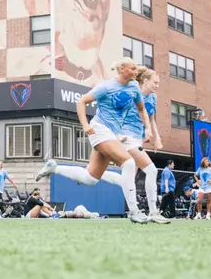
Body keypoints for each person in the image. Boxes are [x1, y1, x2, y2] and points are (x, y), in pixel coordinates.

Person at [37, 58, 152, 223]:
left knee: (91, 178)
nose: (135, 72)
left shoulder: (134, 86)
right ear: (121, 70)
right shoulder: (106, 87)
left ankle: (55, 168)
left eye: (136, 69)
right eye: (131, 69)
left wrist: (147, 128)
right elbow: (81, 101)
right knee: (129, 163)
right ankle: (134, 212)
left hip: (112, 133)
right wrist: (85, 125)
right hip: (99, 129)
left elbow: (141, 109)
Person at [118, 67, 169, 223]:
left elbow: (152, 119)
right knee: (151, 170)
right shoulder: (130, 94)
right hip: (126, 138)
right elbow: (117, 114)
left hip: (138, 139)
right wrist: (117, 134)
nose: (157, 85)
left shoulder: (153, 97)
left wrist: (157, 138)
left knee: (129, 176)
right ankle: (153, 212)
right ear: (145, 80)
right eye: (155, 82)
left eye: (158, 83)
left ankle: (134, 212)